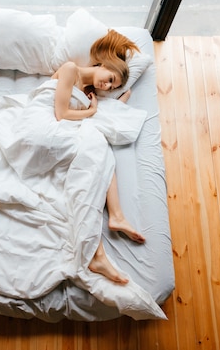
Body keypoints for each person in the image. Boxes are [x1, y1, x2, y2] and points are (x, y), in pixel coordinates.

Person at [50, 29, 145, 284]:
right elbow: (61, 113)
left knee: (100, 159)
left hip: (64, 131)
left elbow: (107, 110)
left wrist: (123, 94)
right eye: (111, 78)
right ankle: (102, 244)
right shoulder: (71, 69)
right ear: (104, 64)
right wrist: (91, 111)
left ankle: (110, 227)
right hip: (47, 126)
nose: (108, 85)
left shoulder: (90, 90)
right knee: (97, 153)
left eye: (113, 85)